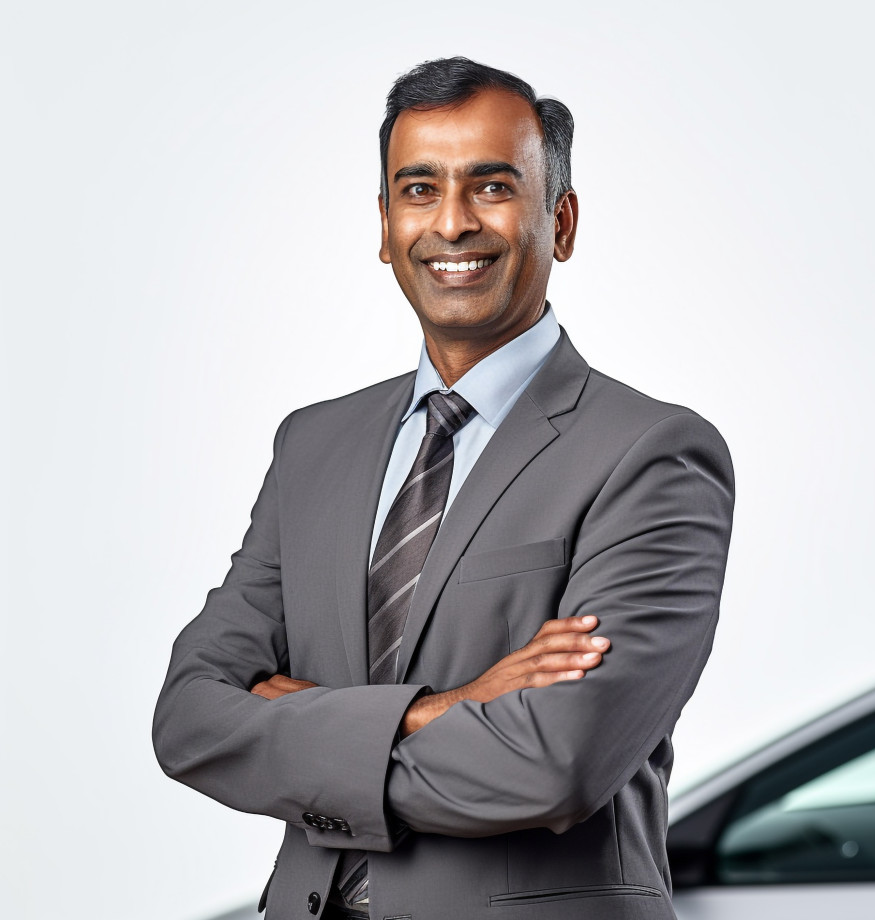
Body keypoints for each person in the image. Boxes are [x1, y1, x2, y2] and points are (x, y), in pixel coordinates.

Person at [153, 56, 735, 920]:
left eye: (492, 186)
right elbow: (191, 719)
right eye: (419, 190)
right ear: (385, 225)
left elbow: (554, 767)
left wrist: (300, 721)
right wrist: (445, 710)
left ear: (561, 221)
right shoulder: (313, 445)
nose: (453, 224)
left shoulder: (651, 453)